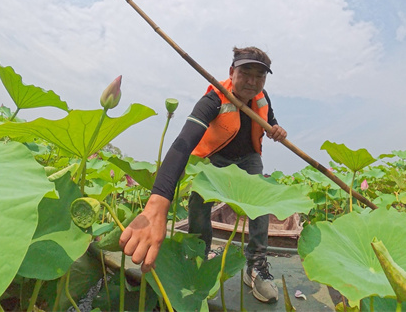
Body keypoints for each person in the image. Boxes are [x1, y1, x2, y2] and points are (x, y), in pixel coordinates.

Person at [119, 46, 288, 304]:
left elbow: (270, 120)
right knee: (199, 202)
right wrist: (157, 203)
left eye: (260, 76)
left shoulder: (262, 97)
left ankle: (256, 265)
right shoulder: (213, 100)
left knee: (260, 203)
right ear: (232, 72)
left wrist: (276, 129)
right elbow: (184, 143)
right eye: (246, 73)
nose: (252, 82)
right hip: (214, 158)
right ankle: (200, 257)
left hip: (248, 158)